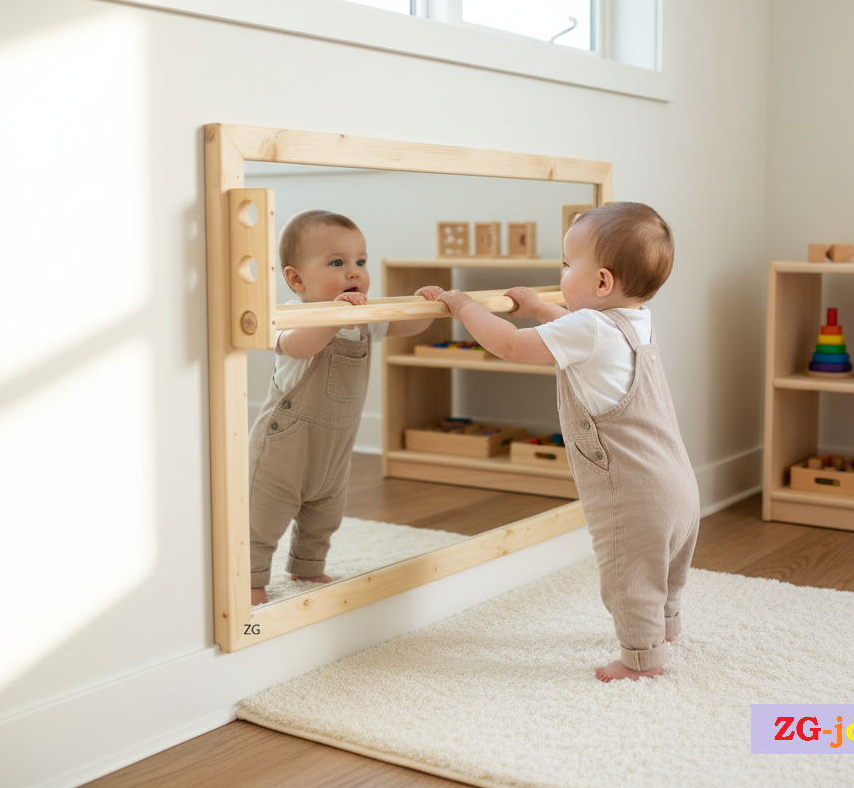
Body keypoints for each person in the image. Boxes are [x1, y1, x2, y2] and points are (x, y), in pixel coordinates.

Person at [438, 202, 699, 682]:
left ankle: (641, 659)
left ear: (601, 282)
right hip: (677, 484)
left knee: (629, 577)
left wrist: (464, 306)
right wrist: (539, 308)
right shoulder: (635, 321)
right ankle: (666, 628)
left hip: (633, 491)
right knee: (664, 570)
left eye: (565, 265)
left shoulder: (589, 329)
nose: (560, 273)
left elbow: (513, 346)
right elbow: (579, 331)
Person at [250, 210, 443, 606]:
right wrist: (337, 316)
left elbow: (403, 326)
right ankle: (251, 578)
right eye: (337, 263)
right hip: (284, 444)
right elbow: (299, 347)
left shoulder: (365, 317)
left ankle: (308, 564)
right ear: (297, 279)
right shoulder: (295, 316)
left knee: (325, 512)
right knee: (264, 515)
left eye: (361, 261)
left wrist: (424, 307)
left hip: (335, 444)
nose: (354, 272)